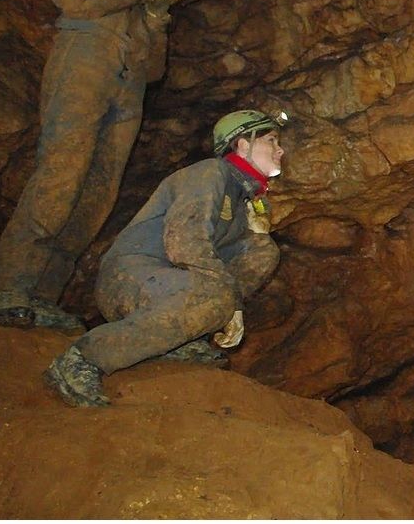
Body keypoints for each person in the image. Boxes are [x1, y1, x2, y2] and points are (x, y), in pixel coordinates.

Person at [0, 0, 173, 331]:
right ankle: (12, 288)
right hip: (83, 71)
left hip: (127, 90)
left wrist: (156, 15)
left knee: (97, 190)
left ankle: (43, 296)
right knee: (61, 173)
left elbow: (154, 69)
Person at [44, 109, 286, 407]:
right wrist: (231, 303)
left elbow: (240, 258)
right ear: (243, 145)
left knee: (263, 251)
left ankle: (180, 341)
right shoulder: (210, 173)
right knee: (216, 294)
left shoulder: (240, 199)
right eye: (271, 140)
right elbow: (184, 241)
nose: (280, 149)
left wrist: (256, 232)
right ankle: (82, 358)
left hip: (169, 284)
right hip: (130, 277)